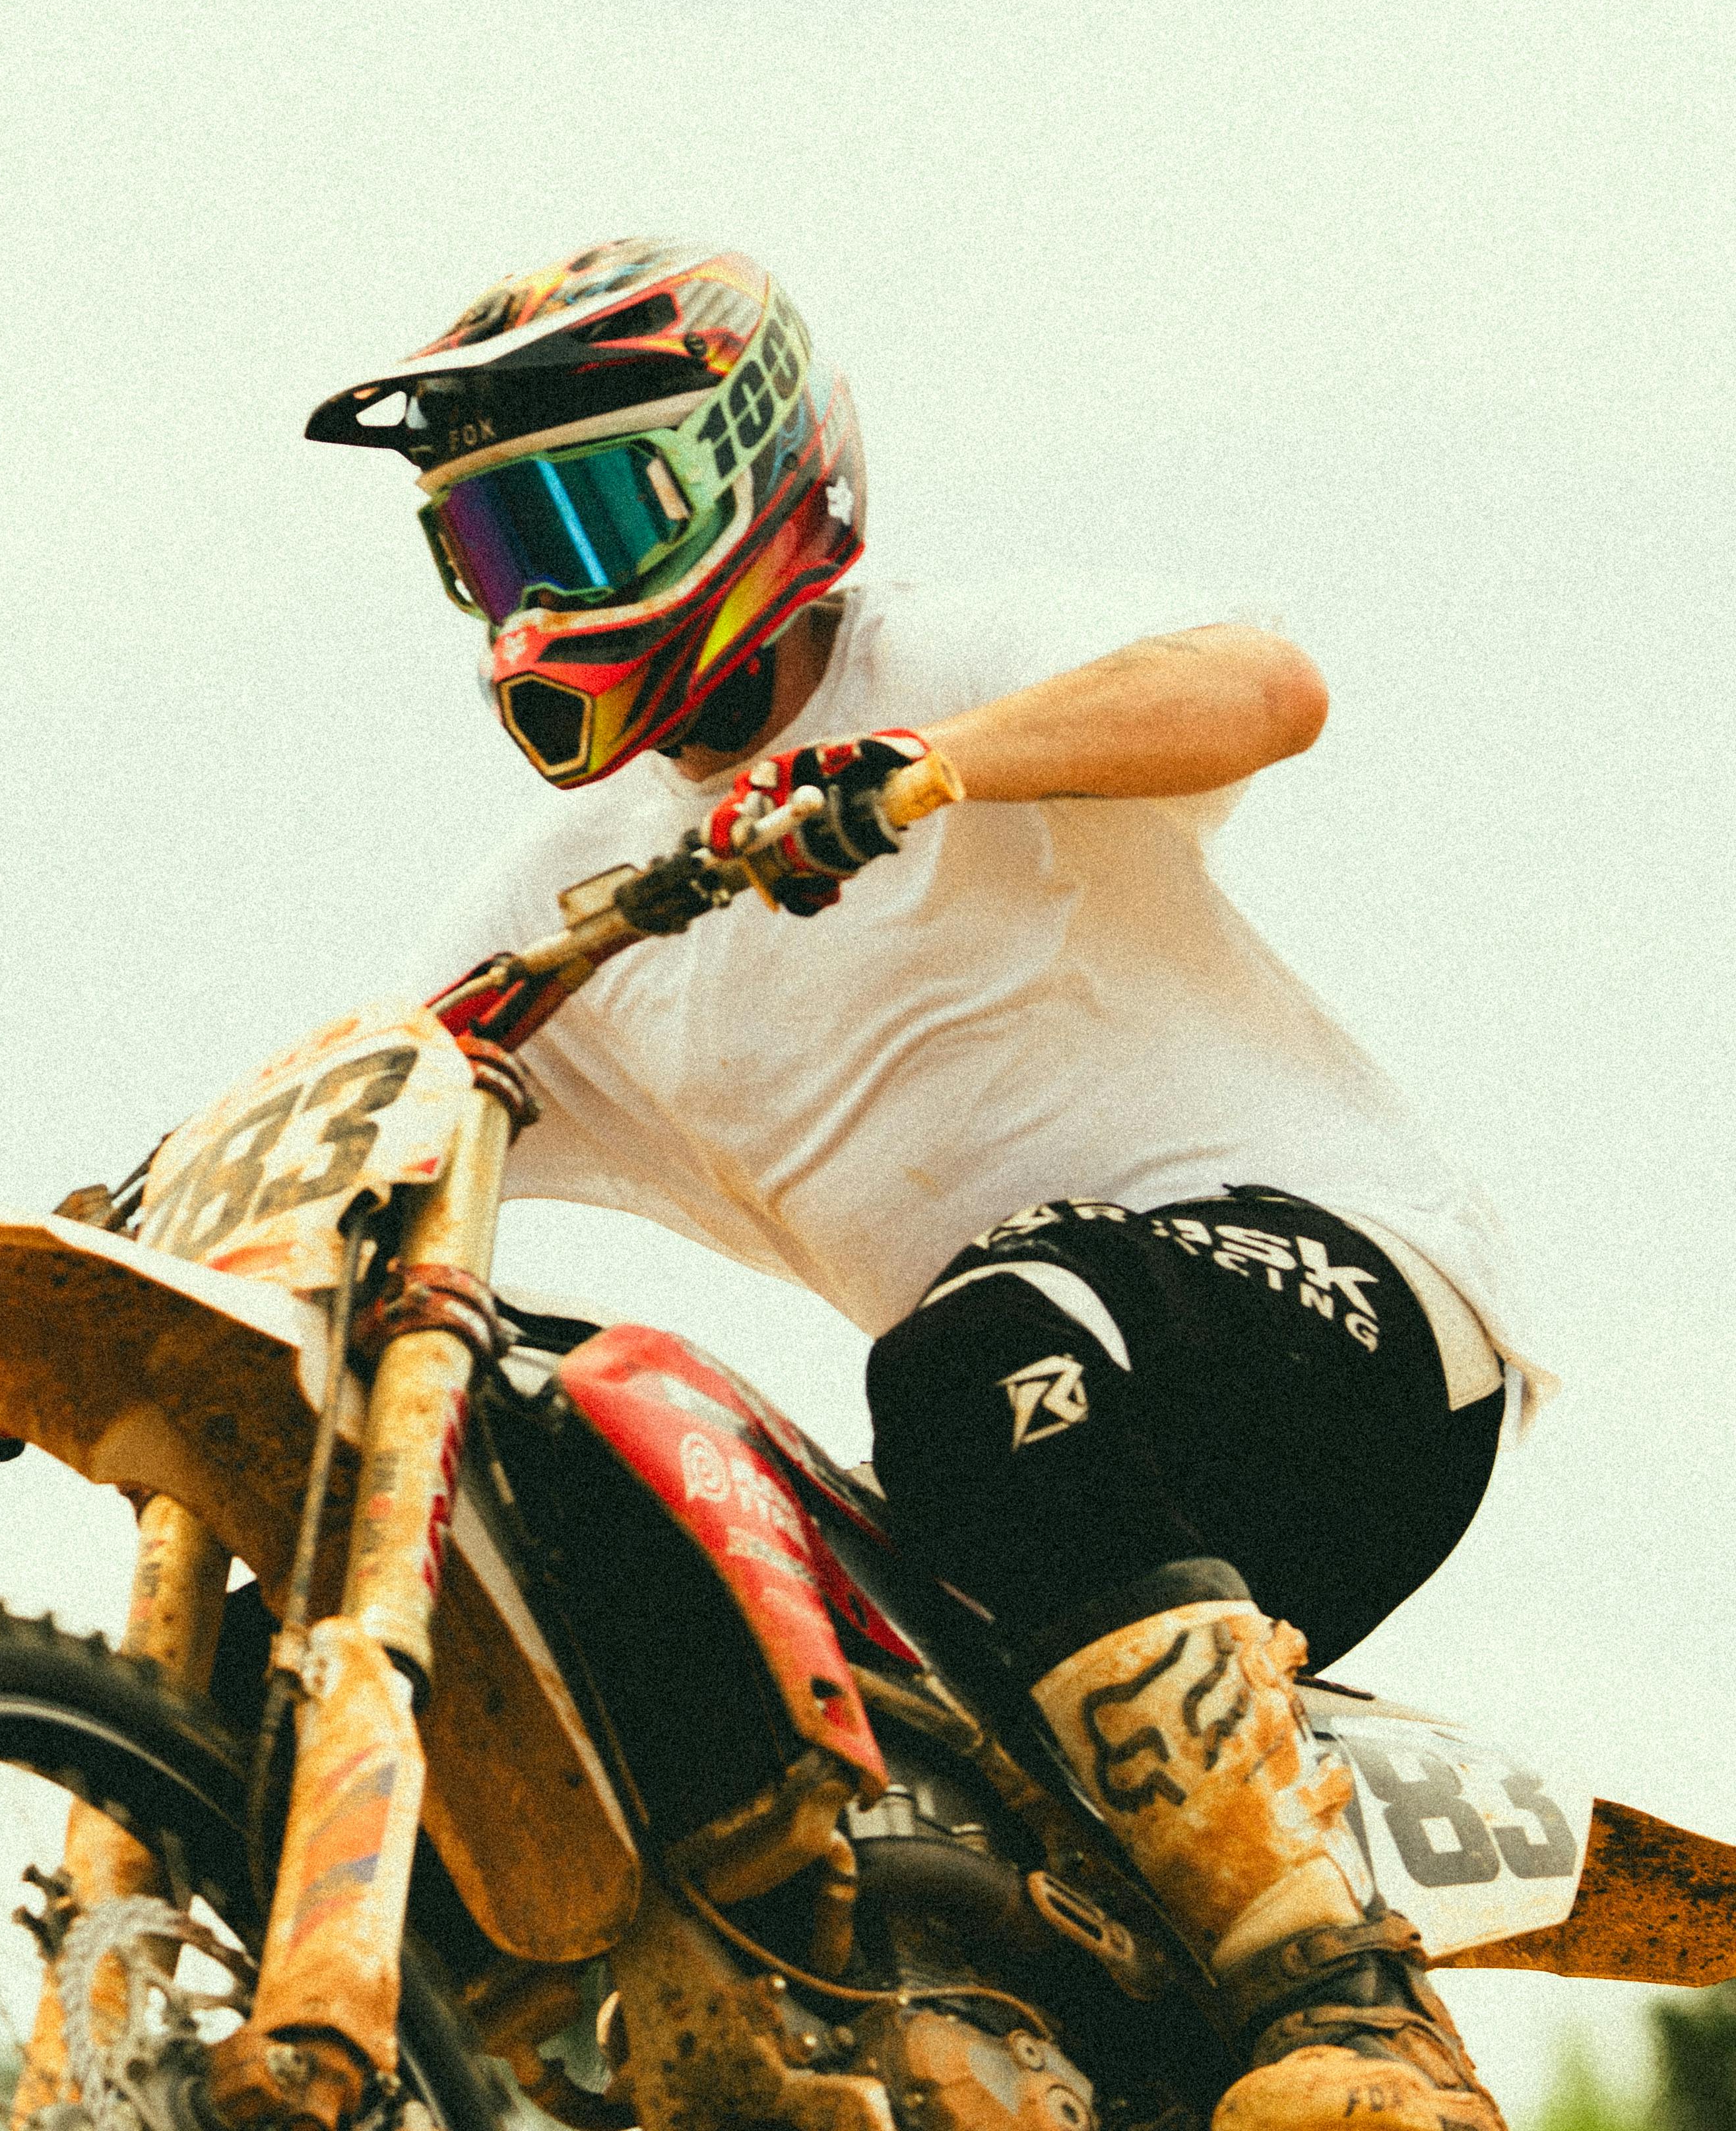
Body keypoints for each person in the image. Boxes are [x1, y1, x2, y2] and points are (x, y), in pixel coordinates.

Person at [307, 236, 1545, 2131]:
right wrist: (128, 1240)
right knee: (633, 1556)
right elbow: (380, 1102)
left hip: (1349, 1338)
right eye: (491, 552)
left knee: (979, 1341)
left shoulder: (932, 667)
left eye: (583, 519)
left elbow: (1264, 682)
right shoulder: (568, 886)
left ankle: (1351, 2010)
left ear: (748, 477)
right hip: (1023, 1466)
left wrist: (933, 770)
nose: (538, 595)